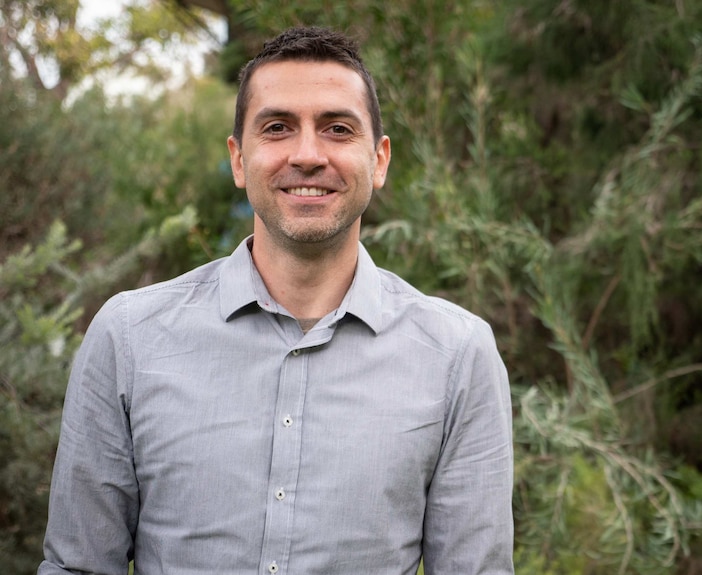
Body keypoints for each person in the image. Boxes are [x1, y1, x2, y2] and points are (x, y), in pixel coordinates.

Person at [38, 26, 514, 575]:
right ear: (239, 160)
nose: (308, 155)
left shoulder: (457, 355)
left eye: (337, 128)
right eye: (278, 127)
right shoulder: (129, 337)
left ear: (379, 160)